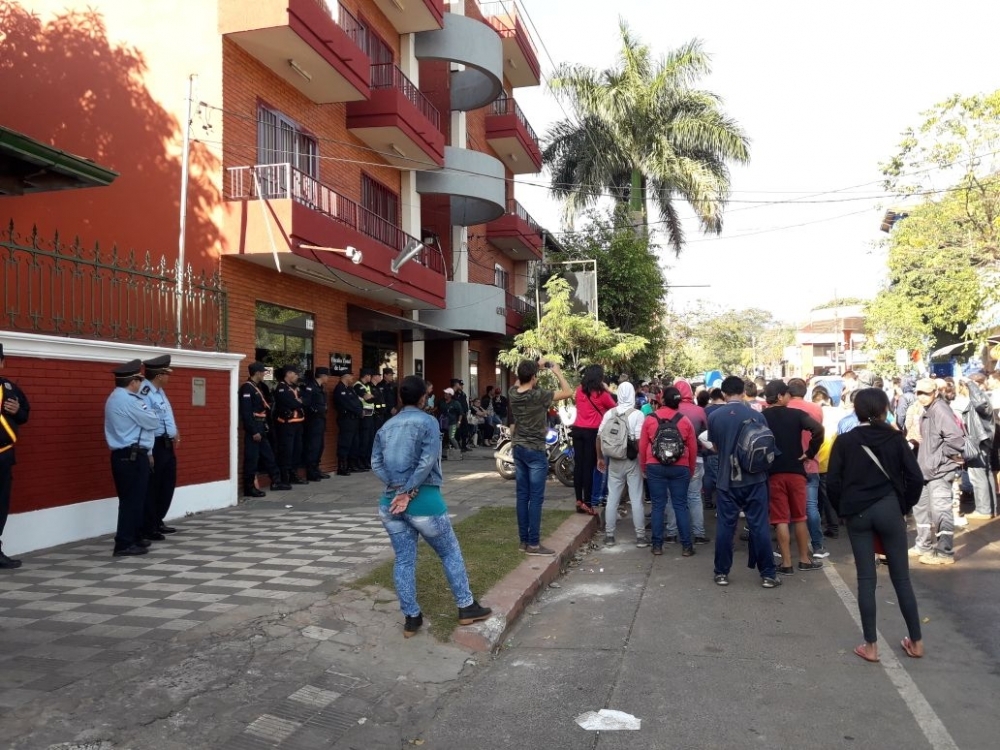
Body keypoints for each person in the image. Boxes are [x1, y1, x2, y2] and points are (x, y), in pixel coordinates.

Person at [371, 375, 492, 638]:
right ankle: (466, 605)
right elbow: (427, 461)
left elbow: (376, 463)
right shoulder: (428, 421)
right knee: (449, 552)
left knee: (404, 560)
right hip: (423, 500)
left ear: (401, 397)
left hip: (390, 502)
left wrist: (397, 487)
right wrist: (408, 490)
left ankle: (411, 618)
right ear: (423, 397)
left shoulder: (387, 425)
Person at [827, 388, 925, 662]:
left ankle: (871, 646)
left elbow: (832, 482)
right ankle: (916, 642)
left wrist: (842, 510)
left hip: (858, 513)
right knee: (901, 579)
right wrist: (903, 506)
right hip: (890, 509)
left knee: (866, 580)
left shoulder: (845, 441)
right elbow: (915, 478)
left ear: (856, 410)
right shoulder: (896, 439)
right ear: (885, 410)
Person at [708, 376, 780, 588]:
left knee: (725, 527)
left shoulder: (715, 416)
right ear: (743, 392)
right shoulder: (757, 415)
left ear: (724, 394)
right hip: (754, 478)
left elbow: (715, 447)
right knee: (759, 526)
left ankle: (721, 573)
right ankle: (768, 574)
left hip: (727, 479)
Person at [509, 359, 573, 555]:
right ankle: (534, 544)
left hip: (518, 447)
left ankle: (523, 541)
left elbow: (519, 382)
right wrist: (557, 371)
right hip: (535, 450)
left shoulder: (512, 393)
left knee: (522, 496)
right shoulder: (539, 396)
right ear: (533, 378)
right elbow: (568, 392)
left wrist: (534, 366)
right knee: (536, 498)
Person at [762, 380, 825, 575]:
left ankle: (786, 563)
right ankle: (804, 559)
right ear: (780, 396)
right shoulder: (797, 414)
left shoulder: (762, 417)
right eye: (787, 394)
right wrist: (810, 452)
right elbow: (818, 430)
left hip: (773, 472)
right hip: (796, 471)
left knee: (780, 518)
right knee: (799, 517)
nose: (790, 397)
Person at [104, 360, 160, 557]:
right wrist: (151, 412)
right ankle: (124, 543)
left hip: (129, 455)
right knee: (131, 500)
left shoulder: (117, 397)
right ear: (133, 381)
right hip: (131, 456)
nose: (140, 384)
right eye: (139, 380)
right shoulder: (128, 400)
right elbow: (153, 421)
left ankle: (134, 537)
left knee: (135, 499)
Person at [640, 386, 698, 556]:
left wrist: (644, 467)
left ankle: (657, 545)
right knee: (680, 505)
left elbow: (642, 446)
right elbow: (693, 448)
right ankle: (686, 546)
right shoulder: (685, 421)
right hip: (680, 467)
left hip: (654, 466)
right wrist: (690, 469)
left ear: (663, 400)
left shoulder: (650, 419)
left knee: (658, 505)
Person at [913, 378, 965, 565]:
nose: (922, 397)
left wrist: (939, 460)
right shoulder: (928, 410)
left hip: (939, 471)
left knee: (941, 511)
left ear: (935, 393)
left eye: (926, 393)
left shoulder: (940, 410)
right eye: (919, 393)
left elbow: (956, 439)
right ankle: (923, 546)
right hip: (927, 470)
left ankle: (944, 552)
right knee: (921, 508)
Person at [596, 382, 646, 547]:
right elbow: (639, 441)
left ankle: (609, 536)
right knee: (636, 498)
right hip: (632, 460)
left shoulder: (610, 413)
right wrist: (643, 461)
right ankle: (640, 537)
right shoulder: (638, 414)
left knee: (612, 498)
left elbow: (599, 437)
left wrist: (600, 457)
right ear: (632, 394)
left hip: (614, 460)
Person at [786, 377, 828, 558]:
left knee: (787, 507)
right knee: (811, 506)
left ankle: (783, 546)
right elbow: (818, 431)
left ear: (788, 392)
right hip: (811, 463)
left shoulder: (784, 408)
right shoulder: (816, 409)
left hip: (789, 464)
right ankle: (817, 546)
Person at [138, 354, 179, 540]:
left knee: (167, 484)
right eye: (167, 374)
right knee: (153, 486)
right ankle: (149, 526)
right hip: (155, 444)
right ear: (159, 375)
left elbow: (166, 415)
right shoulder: (145, 392)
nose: (169, 377)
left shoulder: (159, 391)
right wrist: (148, 451)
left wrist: (175, 431)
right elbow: (144, 423)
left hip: (167, 444)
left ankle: (157, 519)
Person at [665, 379, 710, 545]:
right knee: (694, 496)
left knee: (672, 497)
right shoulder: (699, 411)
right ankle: (699, 534)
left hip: (671, 459)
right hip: (696, 458)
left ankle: (671, 532)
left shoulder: (667, 411)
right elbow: (707, 435)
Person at [572, 364, 617, 515]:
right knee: (589, 467)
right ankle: (588, 503)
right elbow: (615, 408)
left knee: (578, 466)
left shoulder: (579, 390)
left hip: (577, 430)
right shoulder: (601, 394)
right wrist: (607, 390)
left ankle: (579, 500)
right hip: (592, 432)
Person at [239, 362, 288, 497]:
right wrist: (253, 431)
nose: (264, 374)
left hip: (261, 425)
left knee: (268, 455)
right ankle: (249, 487)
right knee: (252, 458)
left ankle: (276, 481)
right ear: (257, 373)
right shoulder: (247, 388)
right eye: (263, 372)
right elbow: (246, 413)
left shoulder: (258, 387)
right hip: (254, 428)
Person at [0, 343, 29, 569]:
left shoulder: (9, 388)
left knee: (1, 504)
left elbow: (25, 415)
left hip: (3, 455)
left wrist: (17, 411)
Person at [273, 365, 307, 485]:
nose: (297, 376)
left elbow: (305, 400)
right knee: (287, 450)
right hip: (286, 424)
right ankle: (285, 476)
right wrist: (298, 402)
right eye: (295, 374)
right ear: (288, 374)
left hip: (298, 423)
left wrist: (299, 402)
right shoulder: (281, 387)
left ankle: (293, 474)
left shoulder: (295, 387)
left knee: (297, 450)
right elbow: (290, 402)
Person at [300, 367, 331, 481]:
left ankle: (316, 468)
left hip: (320, 420)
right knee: (313, 446)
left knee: (319, 446)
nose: (328, 378)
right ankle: (311, 472)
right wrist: (315, 411)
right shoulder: (310, 387)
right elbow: (306, 403)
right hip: (313, 421)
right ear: (322, 376)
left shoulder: (320, 387)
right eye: (327, 376)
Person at [333, 369, 363, 475]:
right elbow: (348, 404)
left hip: (354, 419)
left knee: (354, 443)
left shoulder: (350, 389)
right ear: (345, 376)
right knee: (345, 443)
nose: (352, 378)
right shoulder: (340, 389)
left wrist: (360, 410)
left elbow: (357, 402)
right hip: (346, 419)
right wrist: (359, 411)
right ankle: (342, 467)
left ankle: (352, 465)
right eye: (350, 376)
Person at [355, 369, 377, 470]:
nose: (371, 377)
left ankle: (366, 460)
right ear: (366, 375)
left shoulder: (367, 386)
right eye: (370, 375)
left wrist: (371, 397)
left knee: (369, 439)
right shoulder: (358, 385)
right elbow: (367, 398)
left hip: (370, 415)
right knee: (364, 439)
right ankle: (360, 461)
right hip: (364, 416)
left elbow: (371, 397)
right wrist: (370, 397)